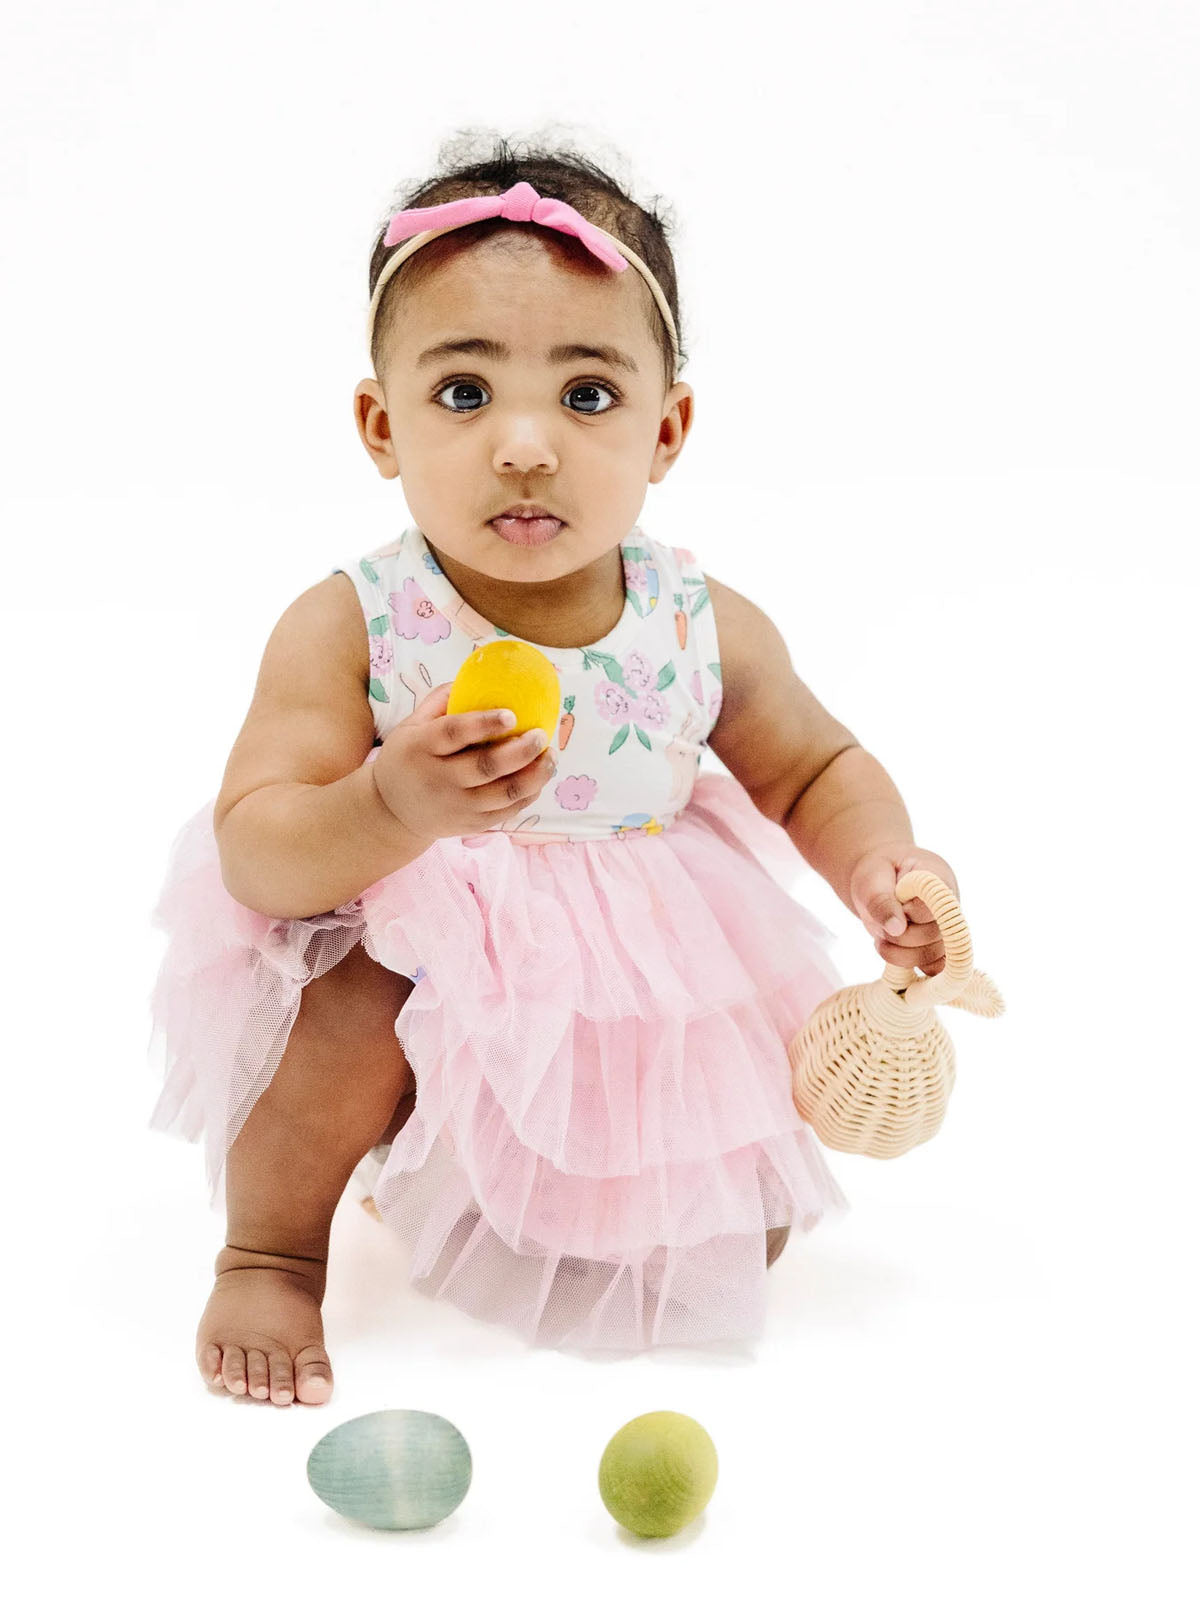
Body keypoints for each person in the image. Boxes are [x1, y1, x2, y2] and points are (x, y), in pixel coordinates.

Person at [146, 139, 961, 1406]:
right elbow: (260, 844)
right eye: (465, 395)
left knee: (740, 1220)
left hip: (633, 954)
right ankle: (274, 1245)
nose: (525, 447)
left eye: (586, 398)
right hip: (418, 933)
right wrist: (389, 804)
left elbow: (814, 766)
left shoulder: (699, 619)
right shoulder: (358, 622)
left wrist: (881, 863)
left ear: (666, 426)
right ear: (382, 423)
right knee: (350, 1009)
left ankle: (541, 1196)